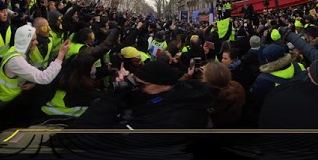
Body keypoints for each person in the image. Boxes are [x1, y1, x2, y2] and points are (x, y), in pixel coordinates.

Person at [67, 60, 215, 129]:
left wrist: (114, 94)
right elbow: (143, 99)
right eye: (134, 82)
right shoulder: (170, 96)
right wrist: (126, 86)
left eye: (141, 84)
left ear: (165, 86)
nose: (137, 88)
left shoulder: (169, 119)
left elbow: (79, 136)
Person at [0, 23, 71, 116]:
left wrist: (33, 83)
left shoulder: (14, 50)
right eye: (33, 40)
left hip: (3, 95)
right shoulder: (16, 61)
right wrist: (61, 55)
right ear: (25, 41)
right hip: (2, 100)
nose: (36, 42)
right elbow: (44, 78)